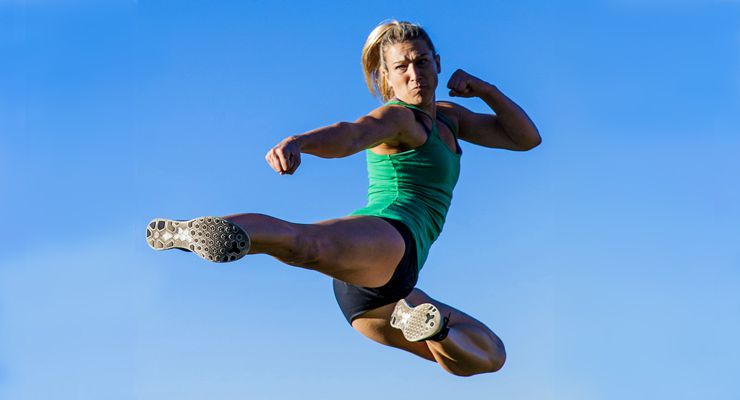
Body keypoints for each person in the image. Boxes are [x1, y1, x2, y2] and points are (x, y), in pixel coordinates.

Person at [146, 20, 540, 376]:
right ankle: (199, 231)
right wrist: (300, 141)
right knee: (304, 243)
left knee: (491, 354)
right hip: (387, 235)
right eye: (401, 66)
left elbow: (526, 139)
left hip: (386, 297)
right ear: (386, 75)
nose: (414, 73)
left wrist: (486, 89)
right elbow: (351, 134)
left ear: (438, 63)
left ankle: (430, 327)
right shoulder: (400, 118)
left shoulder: (451, 118)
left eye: (421, 62)